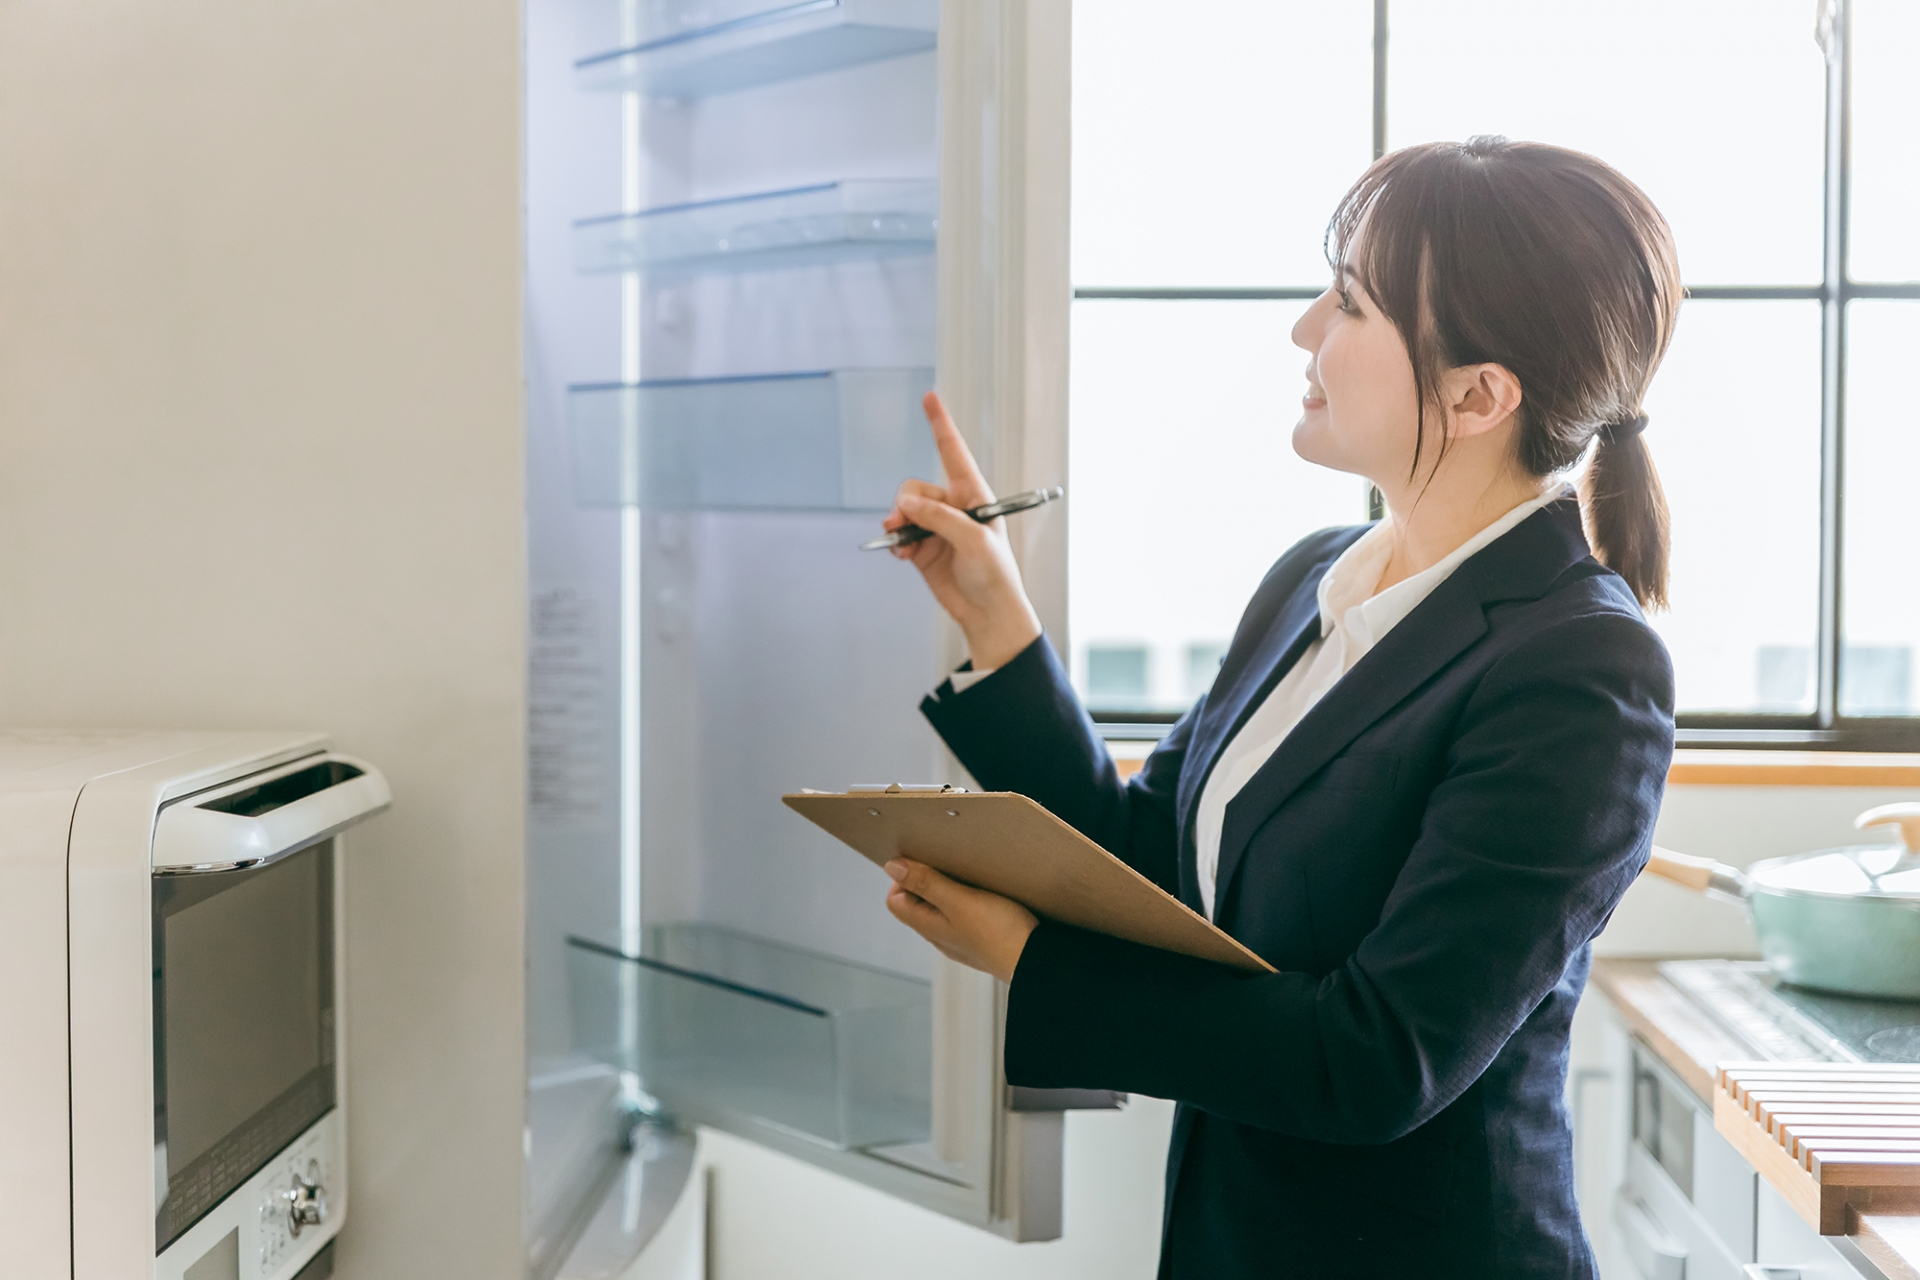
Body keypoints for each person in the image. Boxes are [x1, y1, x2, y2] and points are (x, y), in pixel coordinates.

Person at [874, 137, 1679, 1279]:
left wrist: (1033, 963)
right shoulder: (1312, 574)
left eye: (1350, 304)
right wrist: (998, 620)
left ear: (1479, 393)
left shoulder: (1585, 669)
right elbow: (1152, 863)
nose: (1306, 330)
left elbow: (1376, 1059)